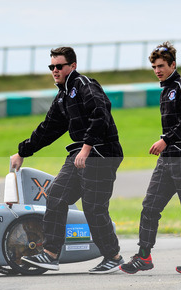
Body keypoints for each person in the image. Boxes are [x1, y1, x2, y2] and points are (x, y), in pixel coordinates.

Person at [10, 46, 124, 274]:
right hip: (80, 155)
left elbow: (101, 113)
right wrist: (23, 151)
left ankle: (113, 256)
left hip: (100, 154)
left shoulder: (84, 85)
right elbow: (48, 129)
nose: (54, 70)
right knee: (55, 196)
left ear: (72, 66)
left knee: (93, 208)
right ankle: (51, 254)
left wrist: (86, 147)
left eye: (59, 66)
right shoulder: (63, 96)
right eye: (51, 66)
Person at [122, 41, 181, 275]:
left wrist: (165, 140)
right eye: (154, 67)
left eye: (161, 65)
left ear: (173, 64)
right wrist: (166, 144)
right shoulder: (165, 90)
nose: (157, 71)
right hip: (167, 158)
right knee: (149, 207)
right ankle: (144, 256)